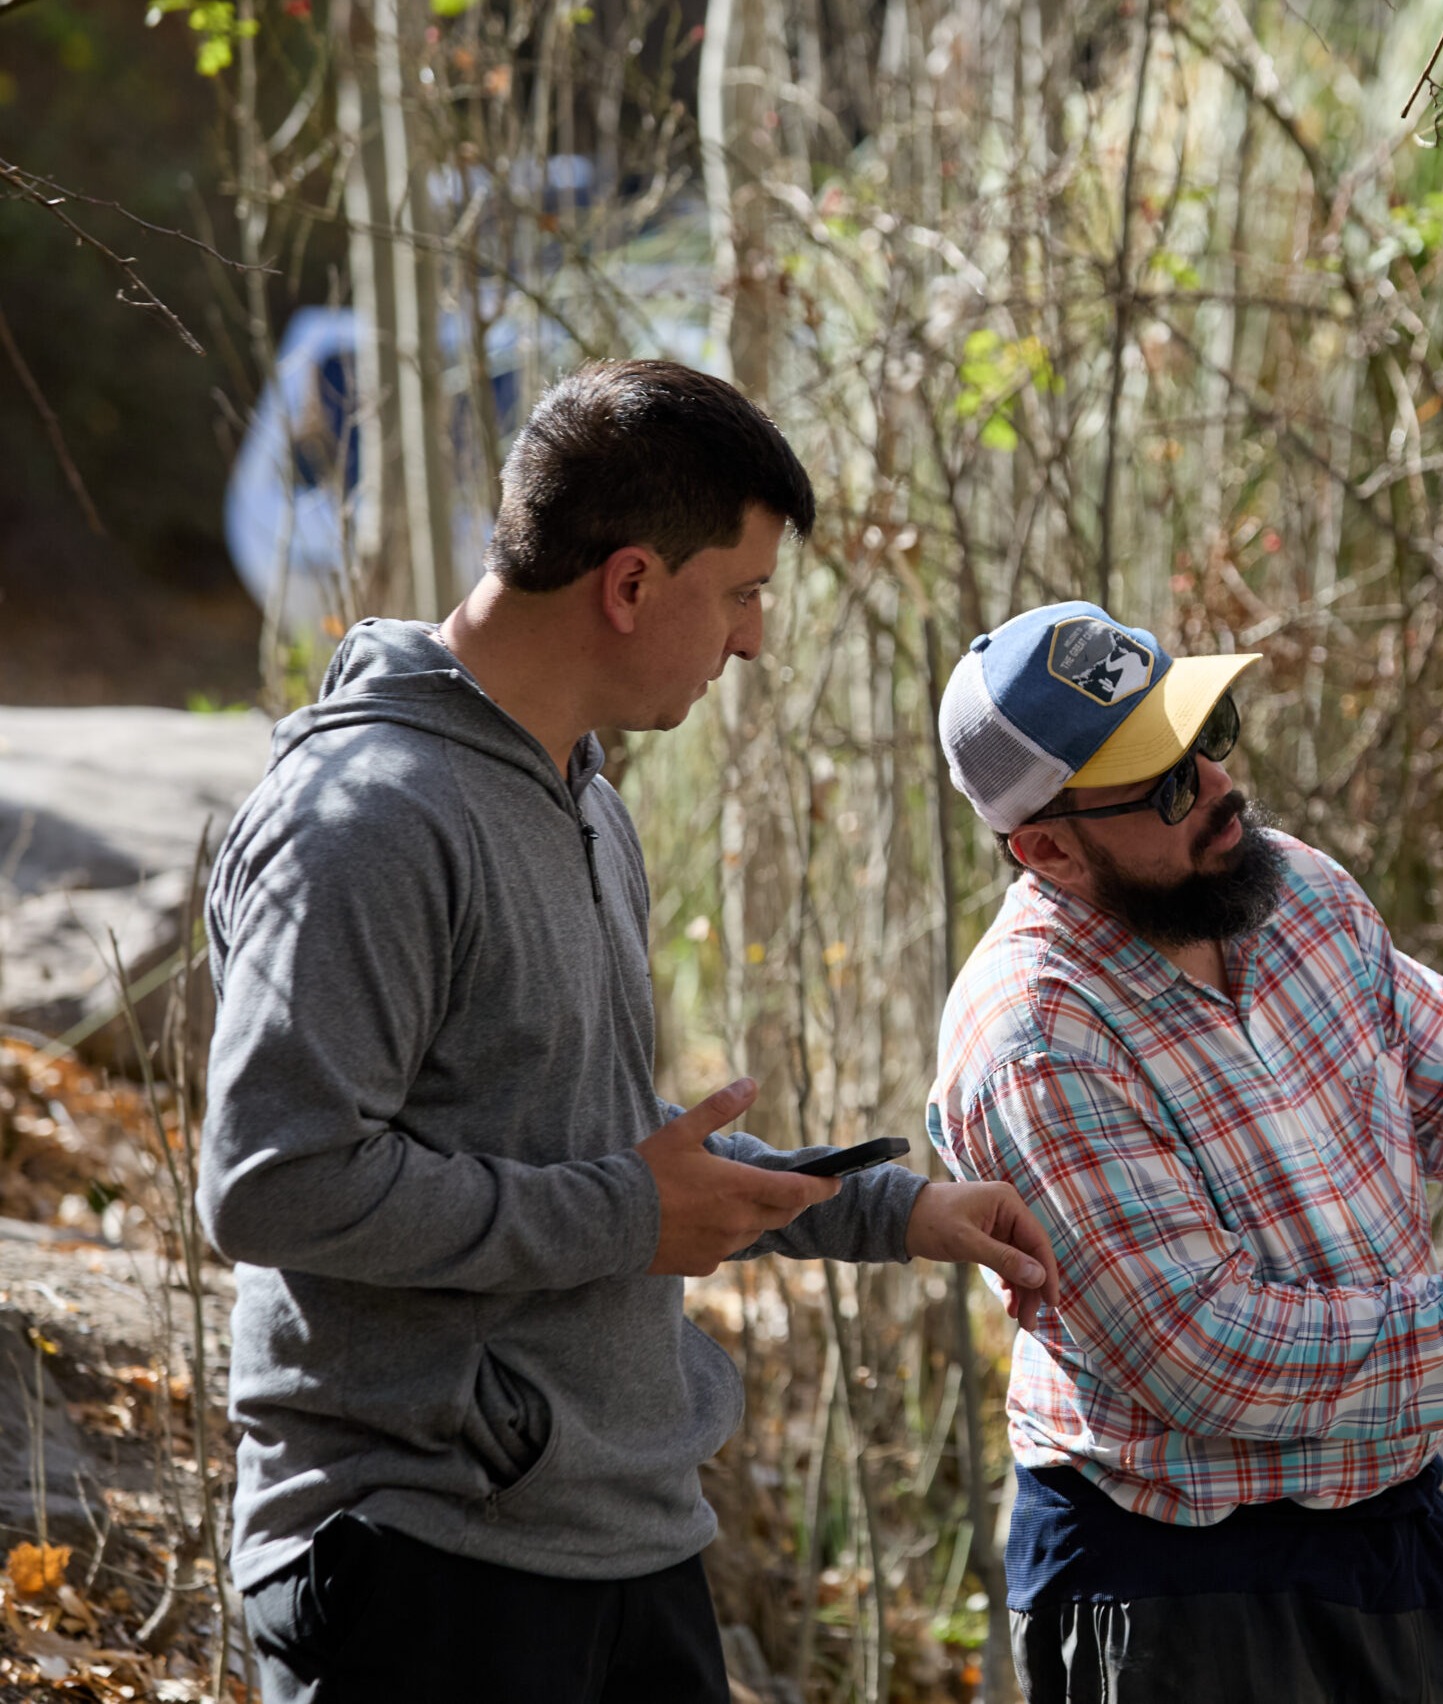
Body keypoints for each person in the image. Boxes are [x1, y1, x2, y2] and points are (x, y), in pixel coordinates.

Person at [200, 360, 1059, 1704]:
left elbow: (590, 1144)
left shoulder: (587, 798)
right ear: (632, 583)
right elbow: (275, 1182)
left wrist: (896, 1212)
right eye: (743, 592)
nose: (754, 640)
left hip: (625, 1540)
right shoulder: (365, 819)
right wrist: (625, 1212)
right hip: (420, 1553)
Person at [925, 601, 1443, 1703]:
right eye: (1165, 788)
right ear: (1048, 850)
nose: (1219, 788)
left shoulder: (1298, 892)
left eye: (1208, 734)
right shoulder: (1034, 1040)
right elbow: (1214, 1357)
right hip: (1175, 1584)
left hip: (1391, 1534)